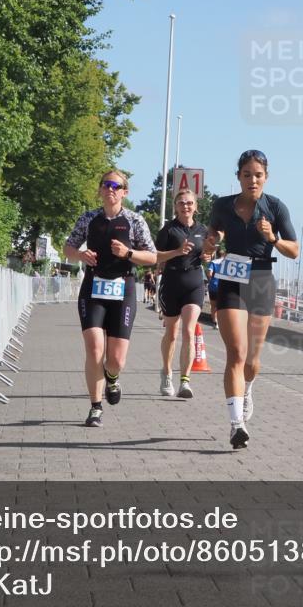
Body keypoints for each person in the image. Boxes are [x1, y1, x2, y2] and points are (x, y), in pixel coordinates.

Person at [202, 150, 298, 449]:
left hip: (261, 281)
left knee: (252, 361)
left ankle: (248, 388)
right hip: (232, 277)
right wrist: (210, 242)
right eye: (247, 174)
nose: (252, 180)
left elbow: (294, 250)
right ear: (238, 177)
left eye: (258, 175)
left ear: (265, 177)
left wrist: (272, 238)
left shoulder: (276, 207)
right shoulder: (222, 205)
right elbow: (213, 231)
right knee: (236, 353)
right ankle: (236, 424)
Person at [64, 170, 156, 427]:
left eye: (116, 186)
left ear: (124, 192)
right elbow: (68, 248)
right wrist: (80, 255)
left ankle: (112, 380)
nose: (111, 189)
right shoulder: (89, 218)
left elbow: (152, 256)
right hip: (93, 287)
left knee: (116, 359)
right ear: (100, 189)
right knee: (94, 348)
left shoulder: (134, 220)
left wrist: (128, 253)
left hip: (122, 288)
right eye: (106, 184)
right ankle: (95, 407)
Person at [154, 189, 207, 399]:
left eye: (189, 203)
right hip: (172, 282)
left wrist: (208, 258)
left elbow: (207, 253)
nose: (186, 206)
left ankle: (185, 381)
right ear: (175, 207)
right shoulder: (168, 229)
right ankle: (167, 372)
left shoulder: (203, 230)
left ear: (196, 207)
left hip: (194, 282)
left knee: (189, 331)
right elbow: (154, 255)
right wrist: (177, 252)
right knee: (172, 333)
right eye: (181, 203)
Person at [206, 247, 226, 329]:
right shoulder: (227, 263)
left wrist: (211, 279)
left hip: (213, 286)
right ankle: (222, 322)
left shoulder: (213, 262)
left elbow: (209, 274)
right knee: (222, 306)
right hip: (224, 287)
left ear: (217, 254)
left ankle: (215, 323)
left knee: (213, 306)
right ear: (224, 254)